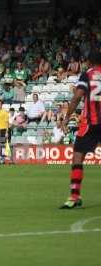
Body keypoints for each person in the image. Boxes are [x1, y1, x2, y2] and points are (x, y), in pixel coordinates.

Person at [60, 51, 101, 209]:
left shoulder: (87, 75)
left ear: (89, 62)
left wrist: (67, 117)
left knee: (77, 157)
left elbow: (78, 96)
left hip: (91, 122)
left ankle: (75, 196)